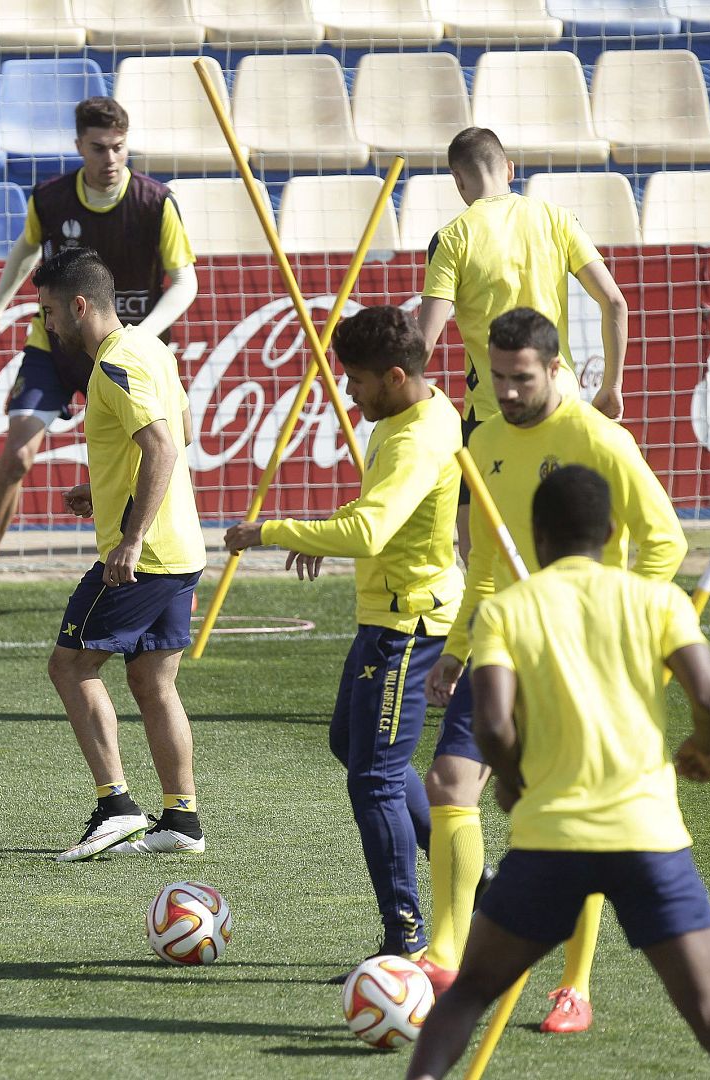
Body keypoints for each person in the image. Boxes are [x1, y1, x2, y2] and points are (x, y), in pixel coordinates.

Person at [407, 465, 710, 1080]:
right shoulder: (657, 600)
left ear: (539, 534)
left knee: (465, 997)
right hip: (648, 838)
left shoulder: (507, 610)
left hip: (551, 841)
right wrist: (700, 748)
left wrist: (515, 785)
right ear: (611, 531)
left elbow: (491, 726)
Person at [420, 307, 687, 1032]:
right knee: (448, 782)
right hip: (503, 646)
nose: (505, 391)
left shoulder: (598, 439)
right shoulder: (486, 439)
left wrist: (625, 629)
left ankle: (574, 987)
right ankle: (443, 952)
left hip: (579, 660)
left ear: (555, 368)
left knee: (568, 821)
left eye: (520, 378)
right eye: (498, 377)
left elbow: (665, 542)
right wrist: (455, 646)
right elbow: (481, 563)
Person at [225, 305, 462, 975]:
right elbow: (379, 519)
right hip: (389, 615)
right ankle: (464, 870)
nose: (348, 392)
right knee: (351, 746)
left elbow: (370, 531)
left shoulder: (417, 437)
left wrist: (271, 531)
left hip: (408, 626)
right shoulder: (422, 409)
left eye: (355, 380)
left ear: (394, 375)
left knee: (376, 781)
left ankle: (407, 938)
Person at [0, 96, 197, 621]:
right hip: (55, 347)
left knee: (164, 447)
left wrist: (136, 336)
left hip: (128, 353)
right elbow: (24, 250)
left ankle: (171, 573)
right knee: (15, 456)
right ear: (79, 146)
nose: (111, 158)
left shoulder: (156, 203)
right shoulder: (51, 199)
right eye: (100, 147)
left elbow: (186, 278)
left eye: (120, 147)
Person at [35, 248, 205, 862]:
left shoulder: (112, 366)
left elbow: (161, 446)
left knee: (70, 667)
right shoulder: (153, 347)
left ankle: (116, 807)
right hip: (183, 548)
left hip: (148, 554)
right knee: (152, 681)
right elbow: (182, 430)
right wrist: (103, 487)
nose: (48, 324)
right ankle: (181, 820)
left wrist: (130, 535)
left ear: (79, 306)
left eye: (50, 311)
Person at [418, 126, 629, 564]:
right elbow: (614, 301)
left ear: (458, 181)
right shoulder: (556, 218)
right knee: (570, 548)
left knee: (481, 555)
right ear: (510, 169)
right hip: (562, 403)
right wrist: (611, 386)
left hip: (493, 413)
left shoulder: (453, 238)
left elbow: (424, 343)